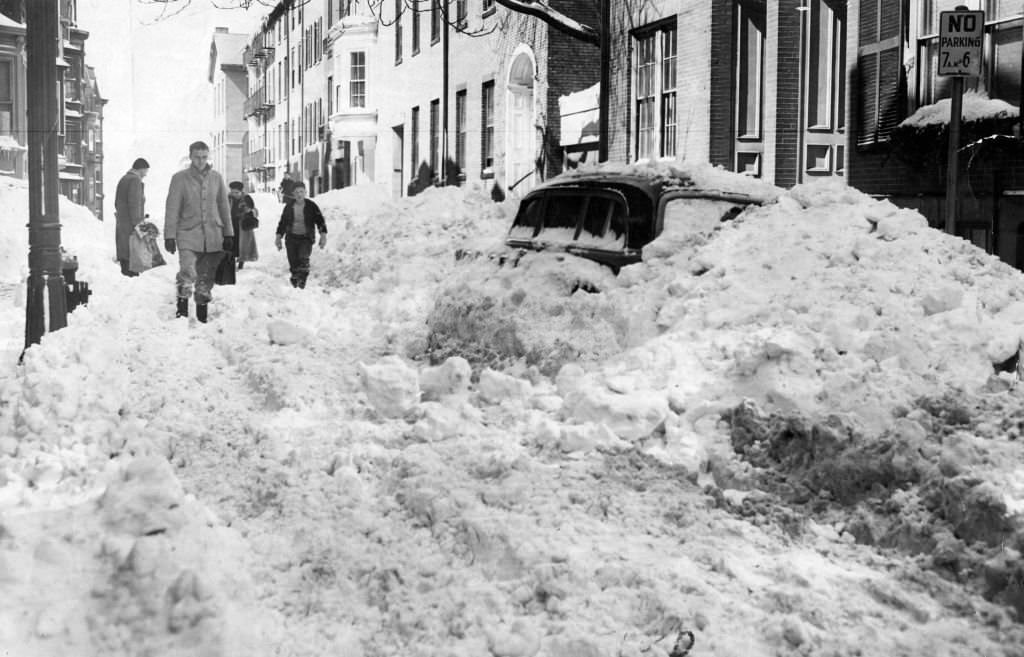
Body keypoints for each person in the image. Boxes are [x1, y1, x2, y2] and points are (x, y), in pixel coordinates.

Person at [164, 141, 234, 323]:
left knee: (206, 276)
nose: (201, 161)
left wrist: (229, 233)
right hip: (187, 233)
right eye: (197, 157)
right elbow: (172, 208)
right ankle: (182, 312)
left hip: (213, 235)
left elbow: (224, 207)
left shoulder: (217, 178)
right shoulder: (179, 178)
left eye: (204, 157)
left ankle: (202, 316)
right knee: (187, 271)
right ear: (191, 157)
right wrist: (169, 236)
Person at [275, 182, 326, 289]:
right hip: (291, 238)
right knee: (293, 263)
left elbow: (320, 221)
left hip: (306, 238)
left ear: (305, 192)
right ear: (293, 194)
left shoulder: (311, 206)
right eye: (297, 192)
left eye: (301, 192)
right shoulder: (289, 207)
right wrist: (278, 237)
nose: (299, 194)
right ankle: (295, 280)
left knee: (303, 259)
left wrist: (323, 236)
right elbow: (282, 223)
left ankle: (302, 282)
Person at [114, 158, 149, 277]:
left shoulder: (124, 179)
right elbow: (135, 204)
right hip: (131, 224)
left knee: (125, 252)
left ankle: (127, 274)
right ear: (141, 169)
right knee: (132, 252)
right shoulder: (135, 180)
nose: (146, 174)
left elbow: (116, 202)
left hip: (122, 222)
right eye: (146, 171)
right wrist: (138, 225)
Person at [228, 181, 259, 269]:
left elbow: (254, 210)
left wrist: (248, 211)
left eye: (236, 192)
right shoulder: (228, 198)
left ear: (241, 191)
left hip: (243, 226)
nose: (234, 194)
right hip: (231, 224)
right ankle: (231, 263)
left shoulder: (247, 198)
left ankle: (242, 261)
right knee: (232, 245)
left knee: (242, 244)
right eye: (232, 192)